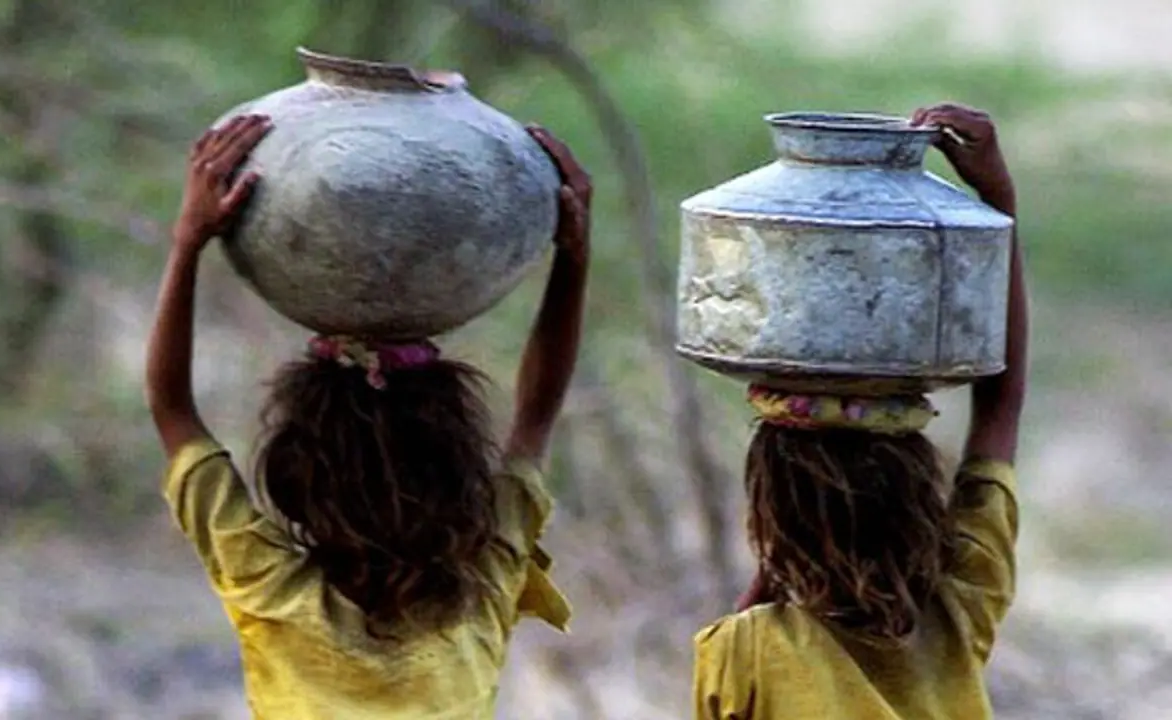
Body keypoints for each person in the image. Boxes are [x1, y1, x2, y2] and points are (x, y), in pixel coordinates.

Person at [144, 113, 592, 719]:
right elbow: (537, 412)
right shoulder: (484, 581)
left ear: (298, 478)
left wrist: (188, 240)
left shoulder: (270, 587)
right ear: (458, 469)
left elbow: (172, 408)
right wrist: (572, 254)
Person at [692, 103, 1028, 720]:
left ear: (770, 517)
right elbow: (1001, 402)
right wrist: (996, 199)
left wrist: (776, 561)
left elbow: (1000, 408)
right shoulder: (958, 612)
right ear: (921, 499)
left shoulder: (746, 650)